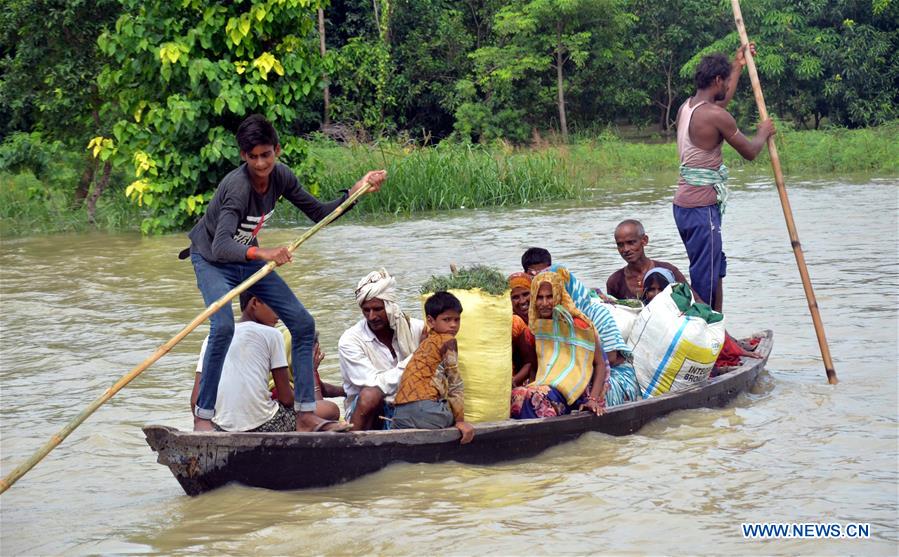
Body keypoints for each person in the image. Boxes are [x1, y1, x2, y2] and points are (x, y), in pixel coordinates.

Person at [185, 114, 386, 432]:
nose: (261, 163)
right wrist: (264, 253)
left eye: (266, 155)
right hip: (211, 259)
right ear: (244, 156)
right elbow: (222, 245)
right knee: (222, 327)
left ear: (276, 151)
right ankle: (203, 417)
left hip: (246, 256)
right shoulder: (237, 188)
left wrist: (356, 190)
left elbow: (320, 214)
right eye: (253, 157)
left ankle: (305, 416)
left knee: (303, 324)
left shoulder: (281, 177)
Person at [673, 45, 776, 312]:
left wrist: (738, 65)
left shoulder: (688, 107)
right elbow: (751, 152)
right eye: (726, 80)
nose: (728, 85)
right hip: (701, 208)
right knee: (705, 278)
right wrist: (763, 132)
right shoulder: (715, 115)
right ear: (717, 80)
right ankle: (704, 332)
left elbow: (720, 103)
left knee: (714, 267)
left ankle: (718, 328)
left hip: (685, 206)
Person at [189, 293, 349, 432]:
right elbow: (286, 398)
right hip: (265, 424)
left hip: (218, 426)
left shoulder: (212, 338)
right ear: (254, 303)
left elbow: (195, 400)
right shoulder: (272, 334)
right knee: (330, 409)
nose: (279, 313)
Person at [521, 248, 641, 405]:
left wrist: (571, 372)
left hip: (610, 373)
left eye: (554, 293)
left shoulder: (596, 314)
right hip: (566, 374)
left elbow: (609, 359)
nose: (548, 301)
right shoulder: (547, 320)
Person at [511, 270, 609, 419]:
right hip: (547, 383)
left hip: (577, 388)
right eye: (539, 297)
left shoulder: (578, 325)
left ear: (558, 295)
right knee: (517, 395)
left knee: (535, 397)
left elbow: (600, 365)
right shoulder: (534, 329)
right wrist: (528, 386)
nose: (544, 303)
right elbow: (536, 368)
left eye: (549, 297)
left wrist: (593, 399)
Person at [338, 269, 425, 430]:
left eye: (377, 309)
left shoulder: (416, 328)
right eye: (366, 310)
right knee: (371, 396)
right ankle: (355, 448)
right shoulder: (350, 340)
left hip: (409, 404)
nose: (371, 316)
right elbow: (377, 385)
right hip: (367, 412)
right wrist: (418, 357)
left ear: (391, 306)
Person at [392, 292, 475, 443]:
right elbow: (455, 383)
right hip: (426, 414)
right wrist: (460, 421)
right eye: (447, 320)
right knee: (449, 411)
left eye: (457, 320)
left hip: (399, 415)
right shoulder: (449, 341)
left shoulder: (427, 342)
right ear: (430, 321)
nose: (453, 325)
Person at [640, 267, 762, 368]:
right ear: (645, 292)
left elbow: (713, 332)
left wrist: (741, 352)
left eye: (662, 289)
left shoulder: (685, 313)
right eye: (651, 290)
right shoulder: (642, 312)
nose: (656, 294)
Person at [271, 331, 345, 421]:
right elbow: (322, 412)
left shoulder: (302, 371)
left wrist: (348, 390)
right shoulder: (279, 387)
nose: (317, 357)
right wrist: (312, 371)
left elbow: (322, 388)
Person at [606, 219, 688, 300]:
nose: (626, 249)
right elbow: (612, 309)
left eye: (631, 242)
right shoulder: (615, 282)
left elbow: (694, 301)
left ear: (644, 240)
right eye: (620, 245)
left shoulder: (668, 271)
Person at [509, 272, 537, 388]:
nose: (522, 301)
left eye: (526, 294)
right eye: (515, 297)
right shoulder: (512, 323)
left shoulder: (544, 316)